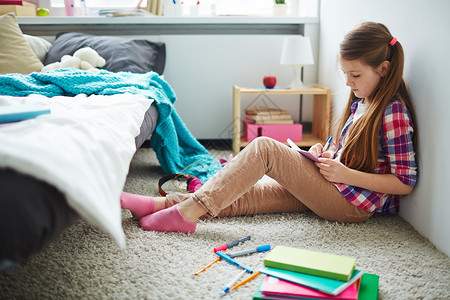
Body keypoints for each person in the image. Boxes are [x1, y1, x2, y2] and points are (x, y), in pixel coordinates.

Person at [120, 22, 418, 234]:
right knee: (248, 192)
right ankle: (159, 204)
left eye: (354, 75)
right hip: (336, 185)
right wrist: (324, 151)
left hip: (352, 204)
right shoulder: (362, 101)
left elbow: (405, 181)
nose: (347, 84)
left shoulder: (394, 112)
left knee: (264, 148)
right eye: (345, 74)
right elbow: (350, 150)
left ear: (384, 69)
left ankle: (187, 213)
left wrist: (344, 174)